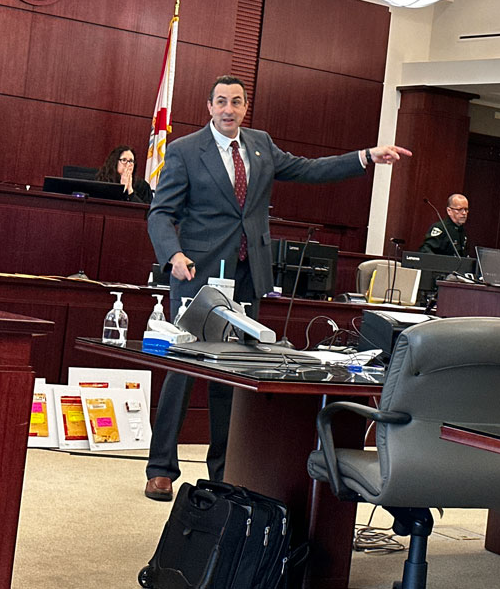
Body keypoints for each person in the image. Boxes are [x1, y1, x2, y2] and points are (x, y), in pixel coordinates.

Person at [143, 74, 411, 501]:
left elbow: (309, 169)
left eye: (236, 102)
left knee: (232, 374)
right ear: (209, 107)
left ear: (245, 107)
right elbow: (161, 213)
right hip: (196, 274)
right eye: (221, 102)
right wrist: (173, 255)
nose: (229, 109)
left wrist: (365, 157)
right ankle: (161, 469)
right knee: (184, 370)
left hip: (248, 275)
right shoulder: (184, 150)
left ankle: (223, 468)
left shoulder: (260, 144)